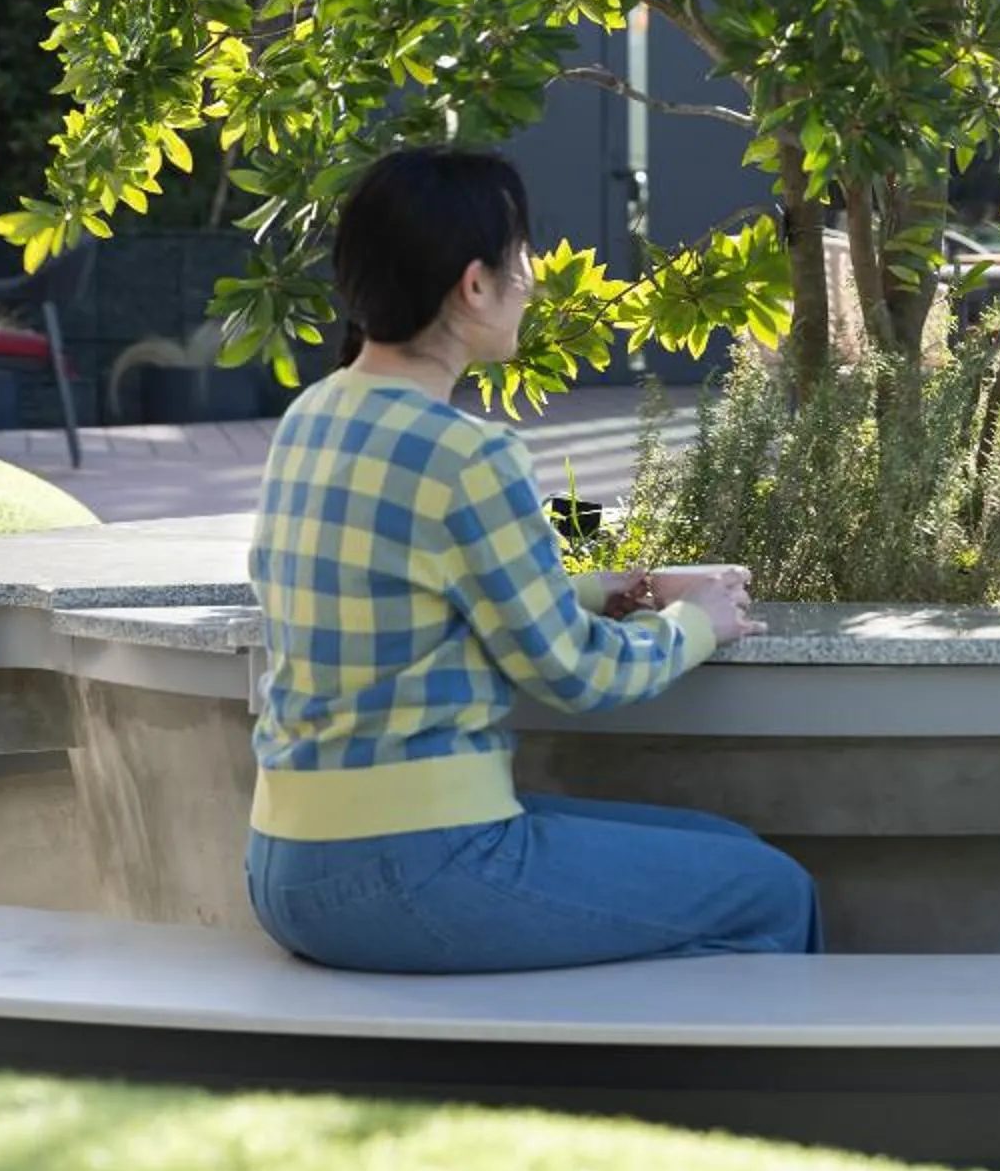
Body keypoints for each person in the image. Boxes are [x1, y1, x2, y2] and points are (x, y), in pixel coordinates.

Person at [244, 145, 823, 971]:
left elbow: (413, 592)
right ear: (472, 284)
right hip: (409, 866)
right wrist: (698, 621)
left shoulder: (312, 416)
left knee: (722, 847)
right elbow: (575, 675)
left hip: (286, 861)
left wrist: (611, 589)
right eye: (521, 260)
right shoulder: (468, 455)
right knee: (771, 891)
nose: (534, 281)